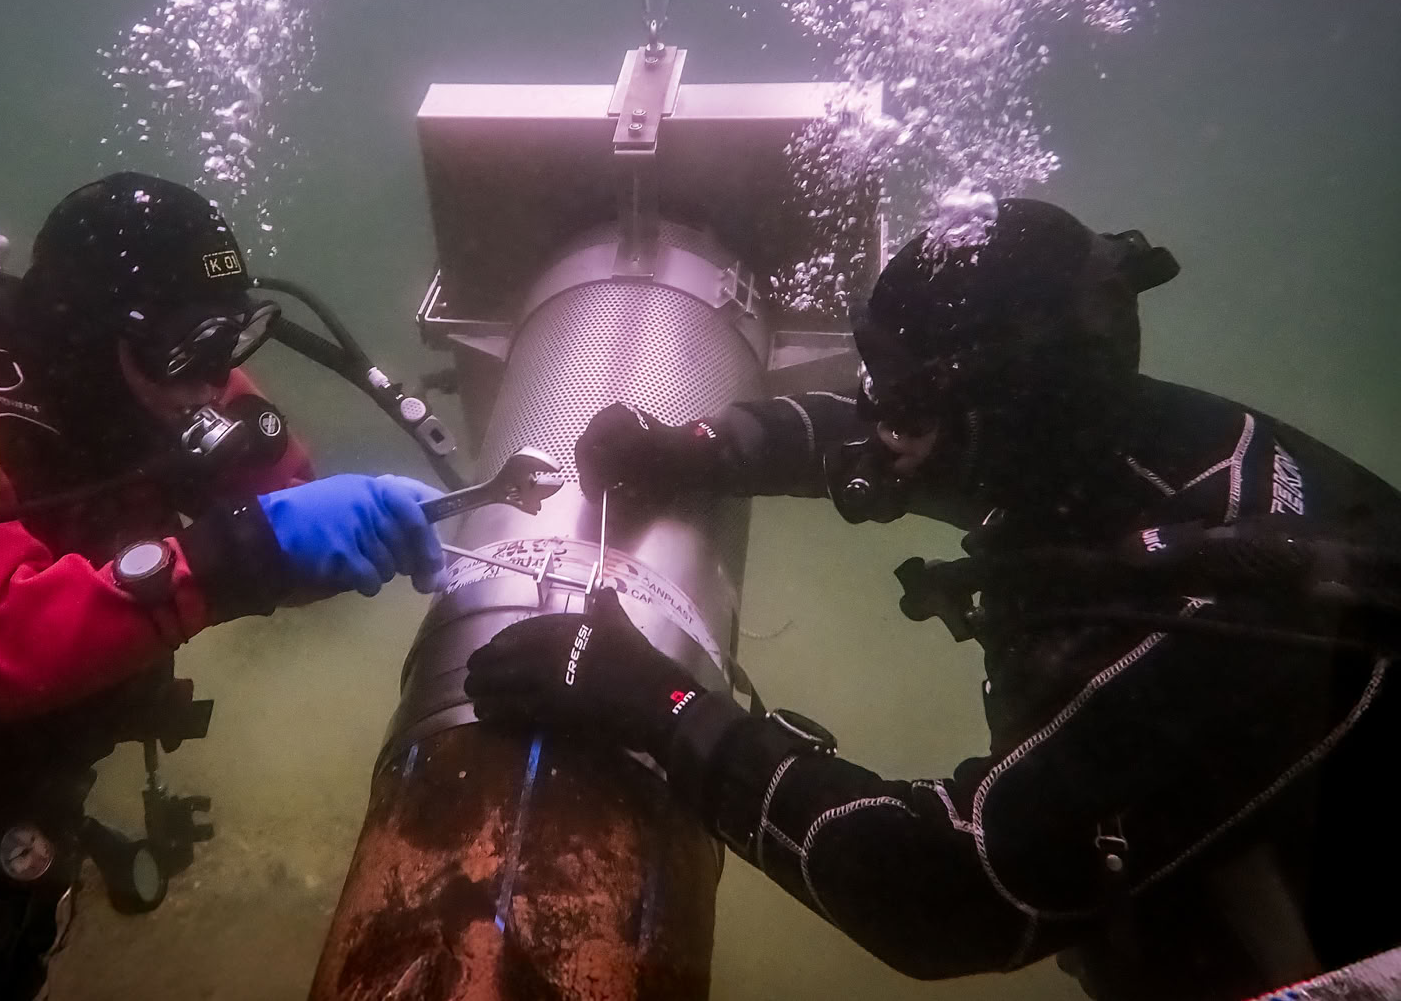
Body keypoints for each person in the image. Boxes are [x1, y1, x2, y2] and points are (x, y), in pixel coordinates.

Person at [464, 198, 1401, 1001]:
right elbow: (872, 434)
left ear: (1009, 406)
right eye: (880, 384)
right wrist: (700, 446)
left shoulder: (1229, 628)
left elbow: (950, 892)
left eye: (905, 401)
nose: (881, 427)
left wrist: (659, 703)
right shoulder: (1093, 440)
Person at [0, 172, 444, 998]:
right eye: (185, 352)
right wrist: (255, 548)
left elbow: (277, 509)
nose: (211, 383)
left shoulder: (145, 385)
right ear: (88, 338)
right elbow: (13, 647)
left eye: (228, 344)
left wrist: (302, 513)